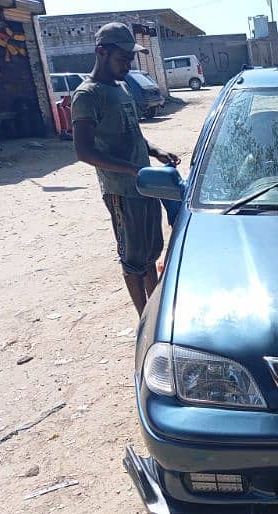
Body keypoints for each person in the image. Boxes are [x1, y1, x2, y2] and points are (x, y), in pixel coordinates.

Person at [72, 22, 180, 316]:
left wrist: (155, 151)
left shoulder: (120, 88)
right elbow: (83, 151)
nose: (128, 65)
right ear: (101, 52)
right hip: (122, 191)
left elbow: (133, 133)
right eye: (123, 59)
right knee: (133, 259)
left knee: (151, 253)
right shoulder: (87, 95)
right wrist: (131, 170)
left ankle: (156, 311)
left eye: (131, 59)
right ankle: (144, 319)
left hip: (145, 184)